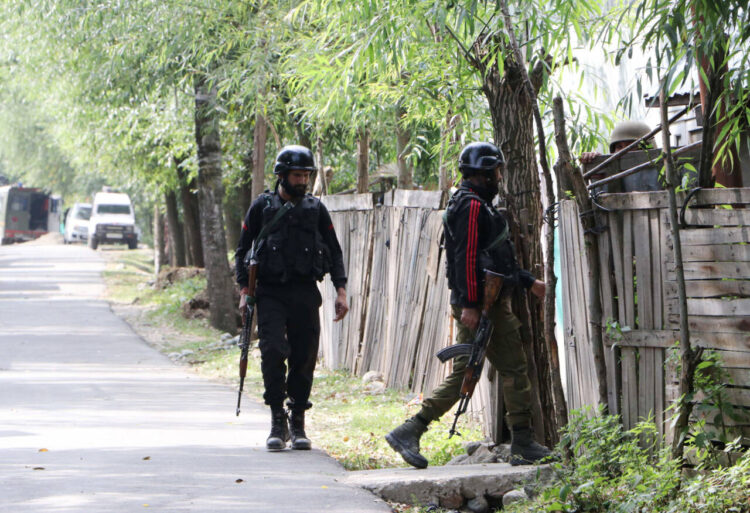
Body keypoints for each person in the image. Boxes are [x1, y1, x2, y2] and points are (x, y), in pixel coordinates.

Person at [385, 141, 552, 468]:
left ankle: (520, 440)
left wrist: (528, 282)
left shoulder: (477, 204)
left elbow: (496, 256)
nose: (500, 177)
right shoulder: (471, 207)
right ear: (485, 173)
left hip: (490, 303)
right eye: (497, 171)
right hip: (481, 305)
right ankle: (413, 428)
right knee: (479, 371)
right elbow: (464, 260)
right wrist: (471, 305)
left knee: (500, 369)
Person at [235, 145, 349, 452]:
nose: (302, 181)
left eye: (306, 175)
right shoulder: (262, 207)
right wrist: (245, 291)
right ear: (282, 176)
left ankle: (297, 421)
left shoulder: (315, 210)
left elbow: (334, 250)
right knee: (272, 351)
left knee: (304, 355)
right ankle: (277, 420)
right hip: (269, 293)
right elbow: (242, 250)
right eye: (297, 175)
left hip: (304, 292)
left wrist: (341, 290)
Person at [580, 120, 654, 164]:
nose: (624, 151)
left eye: (631, 146)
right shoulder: (611, 173)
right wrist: (594, 160)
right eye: (619, 146)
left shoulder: (662, 170)